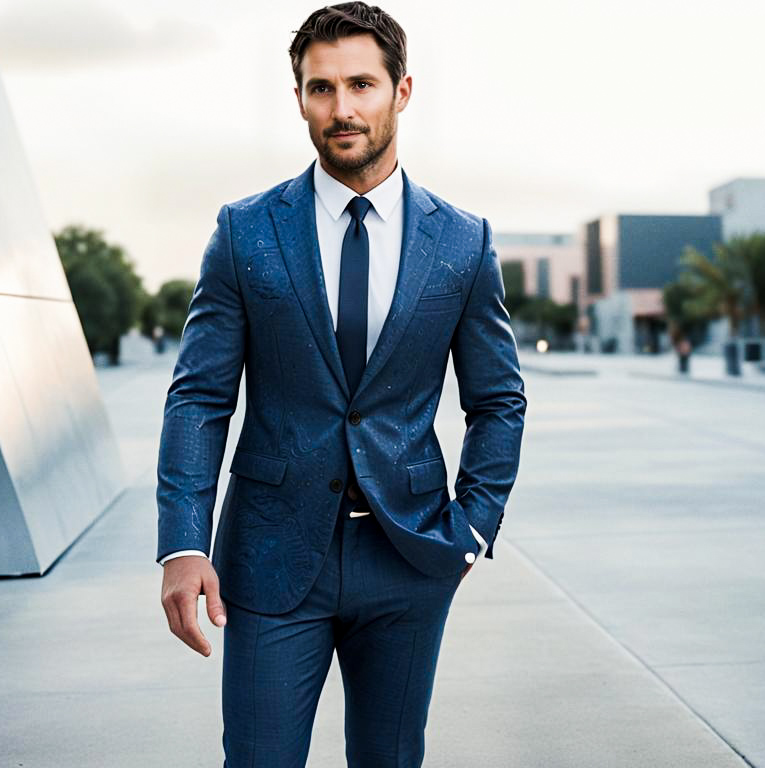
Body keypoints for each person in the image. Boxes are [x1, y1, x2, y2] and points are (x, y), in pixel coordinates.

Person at [155, 3, 526, 765]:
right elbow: (199, 395)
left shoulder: (462, 240)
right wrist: (182, 545)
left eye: (361, 83)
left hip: (410, 553)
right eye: (320, 89)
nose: (342, 108)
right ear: (298, 100)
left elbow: (498, 401)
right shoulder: (245, 230)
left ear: (402, 90)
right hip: (267, 557)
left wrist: (472, 527)